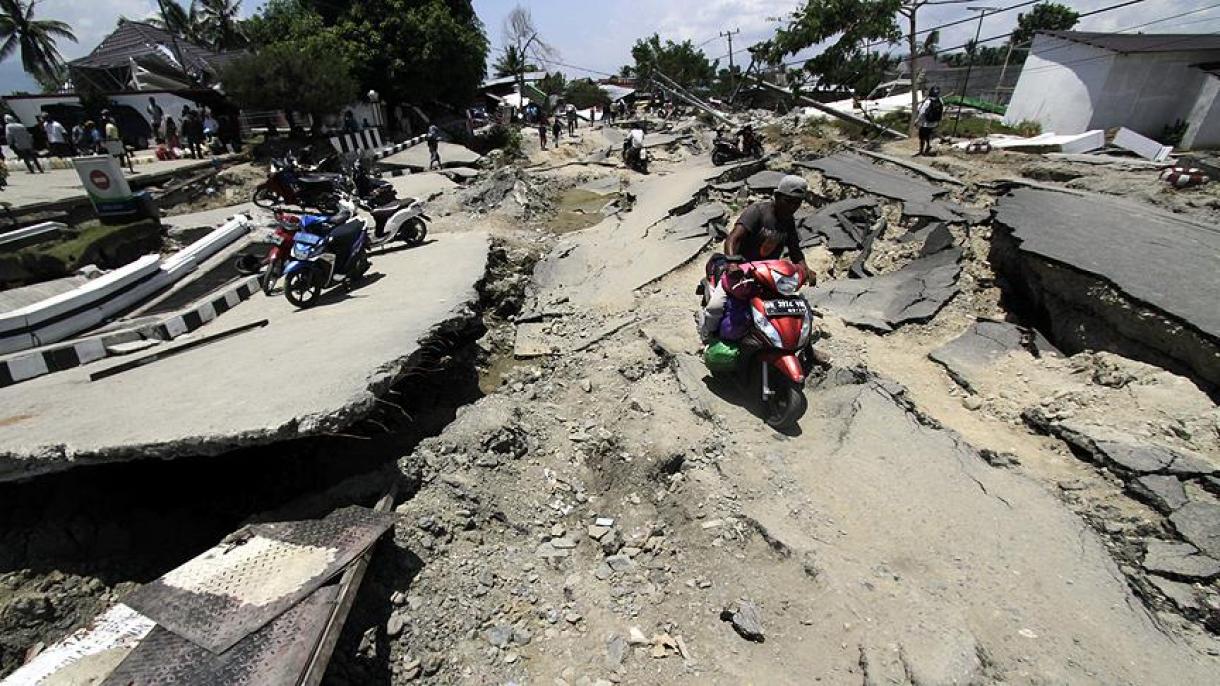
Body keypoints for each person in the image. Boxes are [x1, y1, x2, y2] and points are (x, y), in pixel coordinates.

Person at [700, 175, 815, 341]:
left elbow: (795, 250)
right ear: (777, 196)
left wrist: (805, 269)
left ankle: (805, 349)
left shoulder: (788, 221)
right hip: (742, 273)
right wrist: (733, 263)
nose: (792, 206)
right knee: (716, 306)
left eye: (797, 202)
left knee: (799, 310)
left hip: (769, 276)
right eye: (788, 201)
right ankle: (707, 335)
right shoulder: (758, 212)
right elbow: (733, 238)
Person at [915, 86, 943, 156]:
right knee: (929, 135)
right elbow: (941, 110)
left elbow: (921, 112)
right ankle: (928, 147)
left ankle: (921, 151)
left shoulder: (928, 101)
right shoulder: (940, 100)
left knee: (922, 137)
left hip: (925, 123)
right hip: (934, 123)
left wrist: (917, 120)